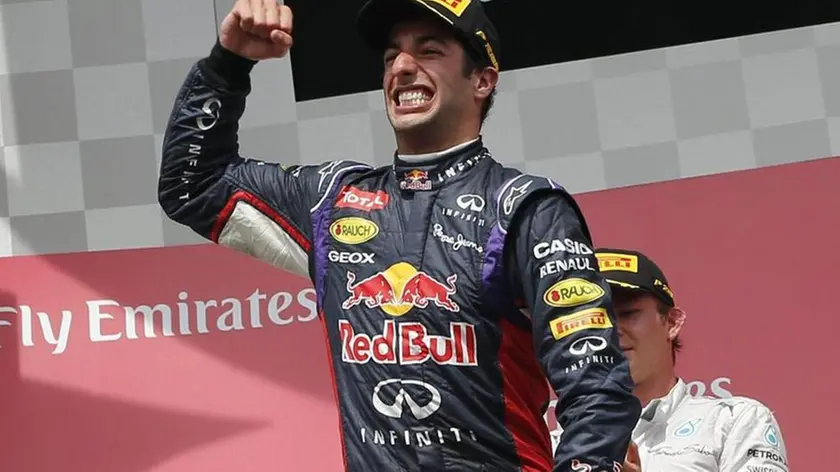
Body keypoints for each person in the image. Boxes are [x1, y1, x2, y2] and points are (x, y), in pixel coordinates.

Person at [157, 0, 641, 470]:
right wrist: (228, 64)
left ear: (482, 79)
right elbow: (191, 185)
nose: (403, 67)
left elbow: (596, 385)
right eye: (392, 56)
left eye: (429, 51)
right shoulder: (332, 200)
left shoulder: (524, 208)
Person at [560, 247, 787, 471]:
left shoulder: (733, 421)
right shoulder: (554, 443)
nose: (609, 331)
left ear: (672, 322)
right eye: (595, 319)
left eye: (628, 314)